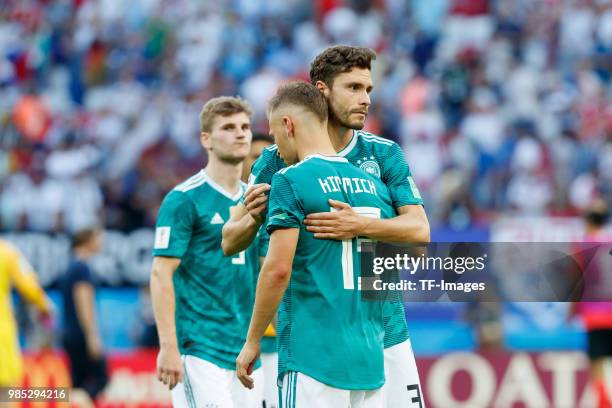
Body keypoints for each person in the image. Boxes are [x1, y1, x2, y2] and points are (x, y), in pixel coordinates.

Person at [224, 45, 429, 407]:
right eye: (353, 88)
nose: (365, 99)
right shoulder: (276, 160)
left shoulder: (383, 153)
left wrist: (359, 225)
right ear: (322, 90)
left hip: (386, 330)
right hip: (319, 340)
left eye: (368, 89)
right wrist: (253, 217)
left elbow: (419, 232)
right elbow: (229, 238)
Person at [236, 81, 393, 407]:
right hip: (368, 359)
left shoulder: (290, 179)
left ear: (287, 125)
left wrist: (252, 341)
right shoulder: (371, 183)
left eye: (274, 133)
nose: (276, 147)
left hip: (314, 358)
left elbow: (277, 269)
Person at [150, 96, 264, 407]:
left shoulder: (256, 200)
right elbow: (161, 273)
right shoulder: (184, 199)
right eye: (228, 127)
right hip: (200, 348)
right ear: (206, 139)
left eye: (245, 127)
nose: (240, 133)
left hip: (247, 352)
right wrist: (168, 346)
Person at [569, 198, 612, 408]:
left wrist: (571, 311)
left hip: (595, 315)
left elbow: (577, 280)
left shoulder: (583, 245)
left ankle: (605, 403)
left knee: (597, 364)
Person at [60, 226, 107, 405]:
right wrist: (92, 336)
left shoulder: (70, 267)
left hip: (69, 333)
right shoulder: (81, 268)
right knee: (101, 378)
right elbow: (84, 303)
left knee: (77, 382)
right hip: (81, 335)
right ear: (88, 241)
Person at [0, 239, 51, 386]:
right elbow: (30, 286)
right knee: (5, 391)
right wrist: (45, 307)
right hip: (1, 332)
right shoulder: (7, 252)